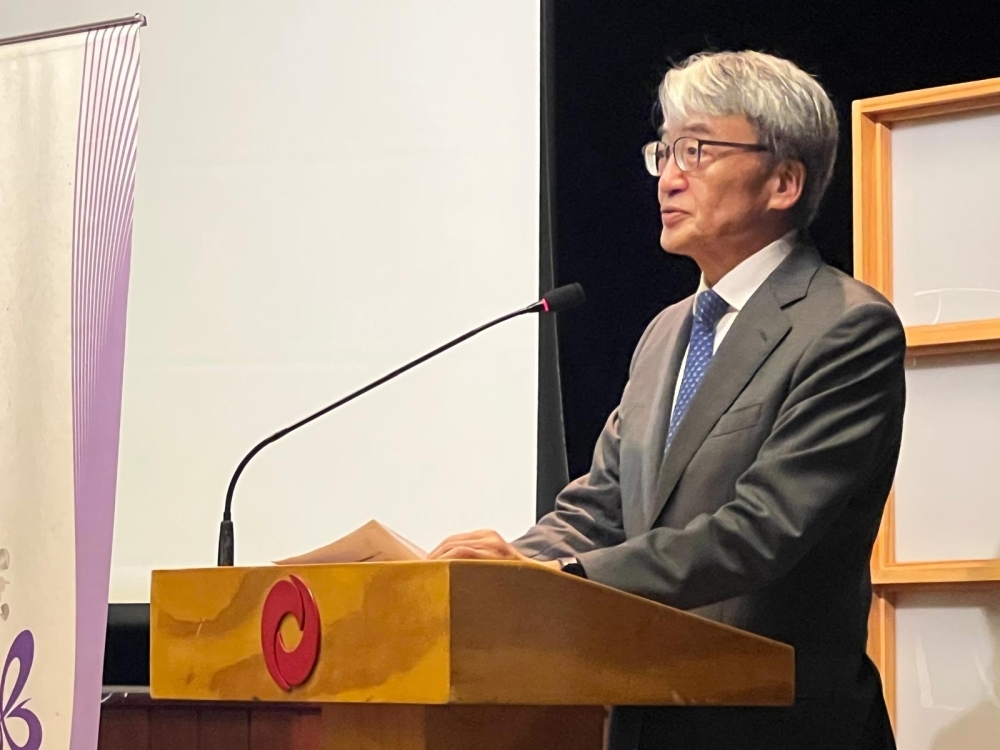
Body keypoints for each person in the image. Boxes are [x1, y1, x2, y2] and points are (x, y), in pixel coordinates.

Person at [429, 49, 904, 750]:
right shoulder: (666, 333)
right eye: (665, 151)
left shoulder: (845, 326)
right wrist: (496, 575)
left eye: (698, 150)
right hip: (649, 716)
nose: (669, 177)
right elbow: (600, 509)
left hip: (777, 727)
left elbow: (761, 530)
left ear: (783, 182)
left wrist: (560, 579)